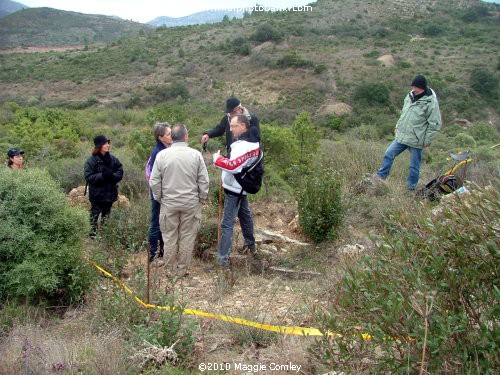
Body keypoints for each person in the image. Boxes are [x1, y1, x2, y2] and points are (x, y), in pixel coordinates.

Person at [149, 124, 209, 278]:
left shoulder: (162, 155)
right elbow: (204, 180)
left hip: (169, 203)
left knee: (169, 237)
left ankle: (169, 270)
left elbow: (154, 181)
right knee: (187, 236)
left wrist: (160, 197)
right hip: (191, 203)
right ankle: (182, 270)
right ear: (186, 136)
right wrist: (201, 198)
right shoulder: (196, 155)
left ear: (173, 137)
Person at [374, 74, 442, 191]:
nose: (412, 89)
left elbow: (435, 124)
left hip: (416, 139)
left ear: (420, 87)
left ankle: (410, 188)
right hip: (402, 135)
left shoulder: (430, 102)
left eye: (415, 87)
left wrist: (427, 140)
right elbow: (404, 114)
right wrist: (397, 127)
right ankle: (380, 177)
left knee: (414, 166)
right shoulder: (410, 96)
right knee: (389, 154)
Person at [212, 114, 260, 267]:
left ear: (243, 126)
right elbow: (240, 163)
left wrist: (217, 159)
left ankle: (222, 260)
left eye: (234, 126)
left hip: (234, 188)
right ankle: (251, 245)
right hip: (241, 186)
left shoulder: (243, 145)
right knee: (245, 215)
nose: (231, 129)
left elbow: (233, 166)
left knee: (227, 224)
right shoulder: (254, 141)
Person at [84, 135, 124, 238]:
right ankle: (92, 236)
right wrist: (102, 175)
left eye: (108, 143)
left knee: (106, 216)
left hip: (109, 194)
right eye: (105, 143)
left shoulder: (113, 159)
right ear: (99, 146)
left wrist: (112, 176)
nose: (108, 145)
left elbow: (120, 171)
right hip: (97, 195)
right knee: (94, 215)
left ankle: (105, 236)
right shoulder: (91, 161)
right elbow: (88, 176)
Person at [146, 122, 172, 265]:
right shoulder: (158, 152)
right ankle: (152, 257)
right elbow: (157, 176)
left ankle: (162, 253)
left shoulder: (166, 149)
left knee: (163, 222)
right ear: (160, 137)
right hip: (158, 192)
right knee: (156, 222)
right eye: (168, 134)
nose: (171, 136)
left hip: (164, 192)